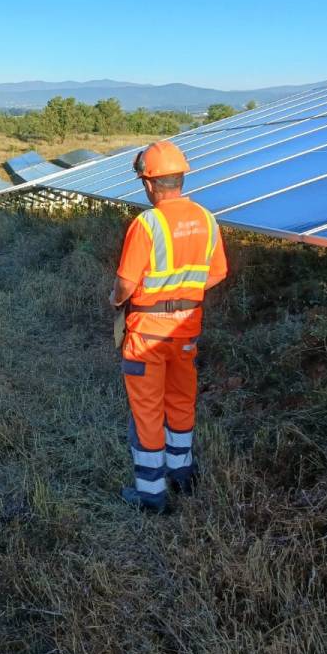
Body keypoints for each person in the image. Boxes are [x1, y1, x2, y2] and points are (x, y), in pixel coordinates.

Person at [109, 141, 228, 513]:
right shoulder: (207, 219)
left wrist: (116, 301)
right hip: (187, 331)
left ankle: (151, 495)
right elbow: (219, 272)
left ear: (148, 184)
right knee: (180, 402)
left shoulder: (148, 223)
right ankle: (183, 476)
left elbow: (126, 283)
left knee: (147, 409)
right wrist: (184, 293)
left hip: (147, 333)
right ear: (180, 179)